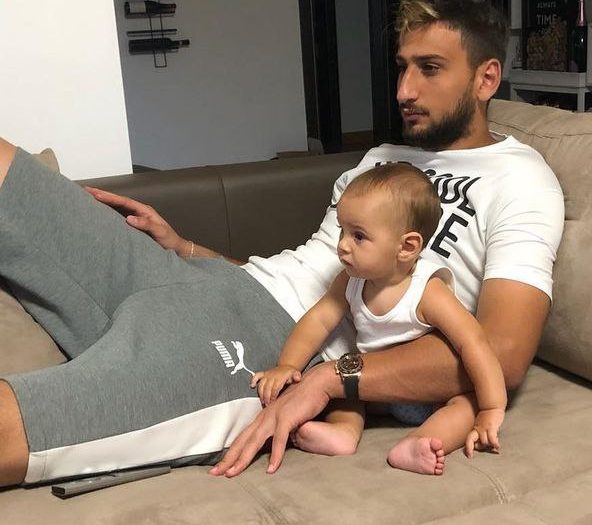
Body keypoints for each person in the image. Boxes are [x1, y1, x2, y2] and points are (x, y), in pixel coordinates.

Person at [0, 0, 563, 487]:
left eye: (430, 69)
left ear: (487, 79)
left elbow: (503, 350)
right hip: (215, 283)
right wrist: (186, 248)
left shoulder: (520, 179)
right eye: (402, 67)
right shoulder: (381, 159)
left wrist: (331, 377)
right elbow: (313, 267)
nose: (404, 91)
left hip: (269, 348)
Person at [252, 163, 507, 475]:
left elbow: (474, 342)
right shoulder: (351, 280)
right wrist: (288, 365)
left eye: (358, 236)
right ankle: (343, 434)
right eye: (342, 231)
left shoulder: (428, 291)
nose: (342, 244)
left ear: (407, 247)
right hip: (373, 390)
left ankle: (421, 441)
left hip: (427, 395)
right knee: (342, 394)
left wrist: (491, 407)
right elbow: (318, 320)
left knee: (465, 404)